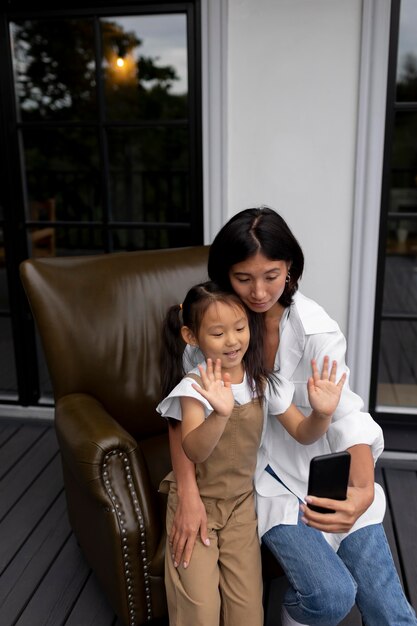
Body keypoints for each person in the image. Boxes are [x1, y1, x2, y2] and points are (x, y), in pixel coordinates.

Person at [169, 207, 417, 626]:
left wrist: (362, 492)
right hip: (261, 486)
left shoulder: (317, 331)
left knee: (391, 612)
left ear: (291, 270)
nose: (259, 292)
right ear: (225, 275)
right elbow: (184, 413)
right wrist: (189, 495)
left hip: (323, 475)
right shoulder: (213, 327)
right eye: (243, 278)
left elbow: (343, 413)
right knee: (331, 597)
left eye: (272, 276)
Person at [157, 280, 346, 626]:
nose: (232, 341)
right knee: (199, 611)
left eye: (240, 327)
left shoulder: (263, 382)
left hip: (242, 508)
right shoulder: (195, 386)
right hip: (201, 504)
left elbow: (304, 434)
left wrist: (322, 413)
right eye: (217, 333)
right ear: (191, 337)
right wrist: (220, 414)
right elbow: (194, 450)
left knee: (247, 612)